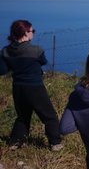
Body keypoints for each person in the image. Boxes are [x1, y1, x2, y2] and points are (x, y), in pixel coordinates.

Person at [0, 20, 62, 151]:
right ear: (25, 33)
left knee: (23, 116)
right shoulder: (36, 50)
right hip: (35, 87)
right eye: (32, 31)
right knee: (49, 115)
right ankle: (55, 142)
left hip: (18, 87)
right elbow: (43, 61)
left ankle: (15, 142)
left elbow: (3, 70)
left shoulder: (5, 51)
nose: (33, 33)